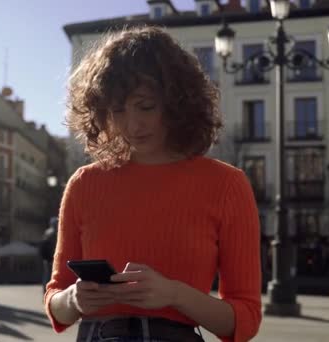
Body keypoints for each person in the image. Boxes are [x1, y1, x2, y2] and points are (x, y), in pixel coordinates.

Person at [45, 26, 262, 342]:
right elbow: (56, 302)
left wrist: (174, 294)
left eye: (146, 106)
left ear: (177, 102)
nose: (132, 125)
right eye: (117, 110)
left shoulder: (227, 185)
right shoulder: (84, 184)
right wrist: (74, 298)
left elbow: (245, 319)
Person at [40, 217, 58, 294]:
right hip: (51, 258)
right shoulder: (53, 233)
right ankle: (48, 292)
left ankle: (46, 292)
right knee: (50, 276)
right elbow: (44, 247)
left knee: (47, 276)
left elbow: (42, 247)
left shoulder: (47, 233)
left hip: (49, 258)